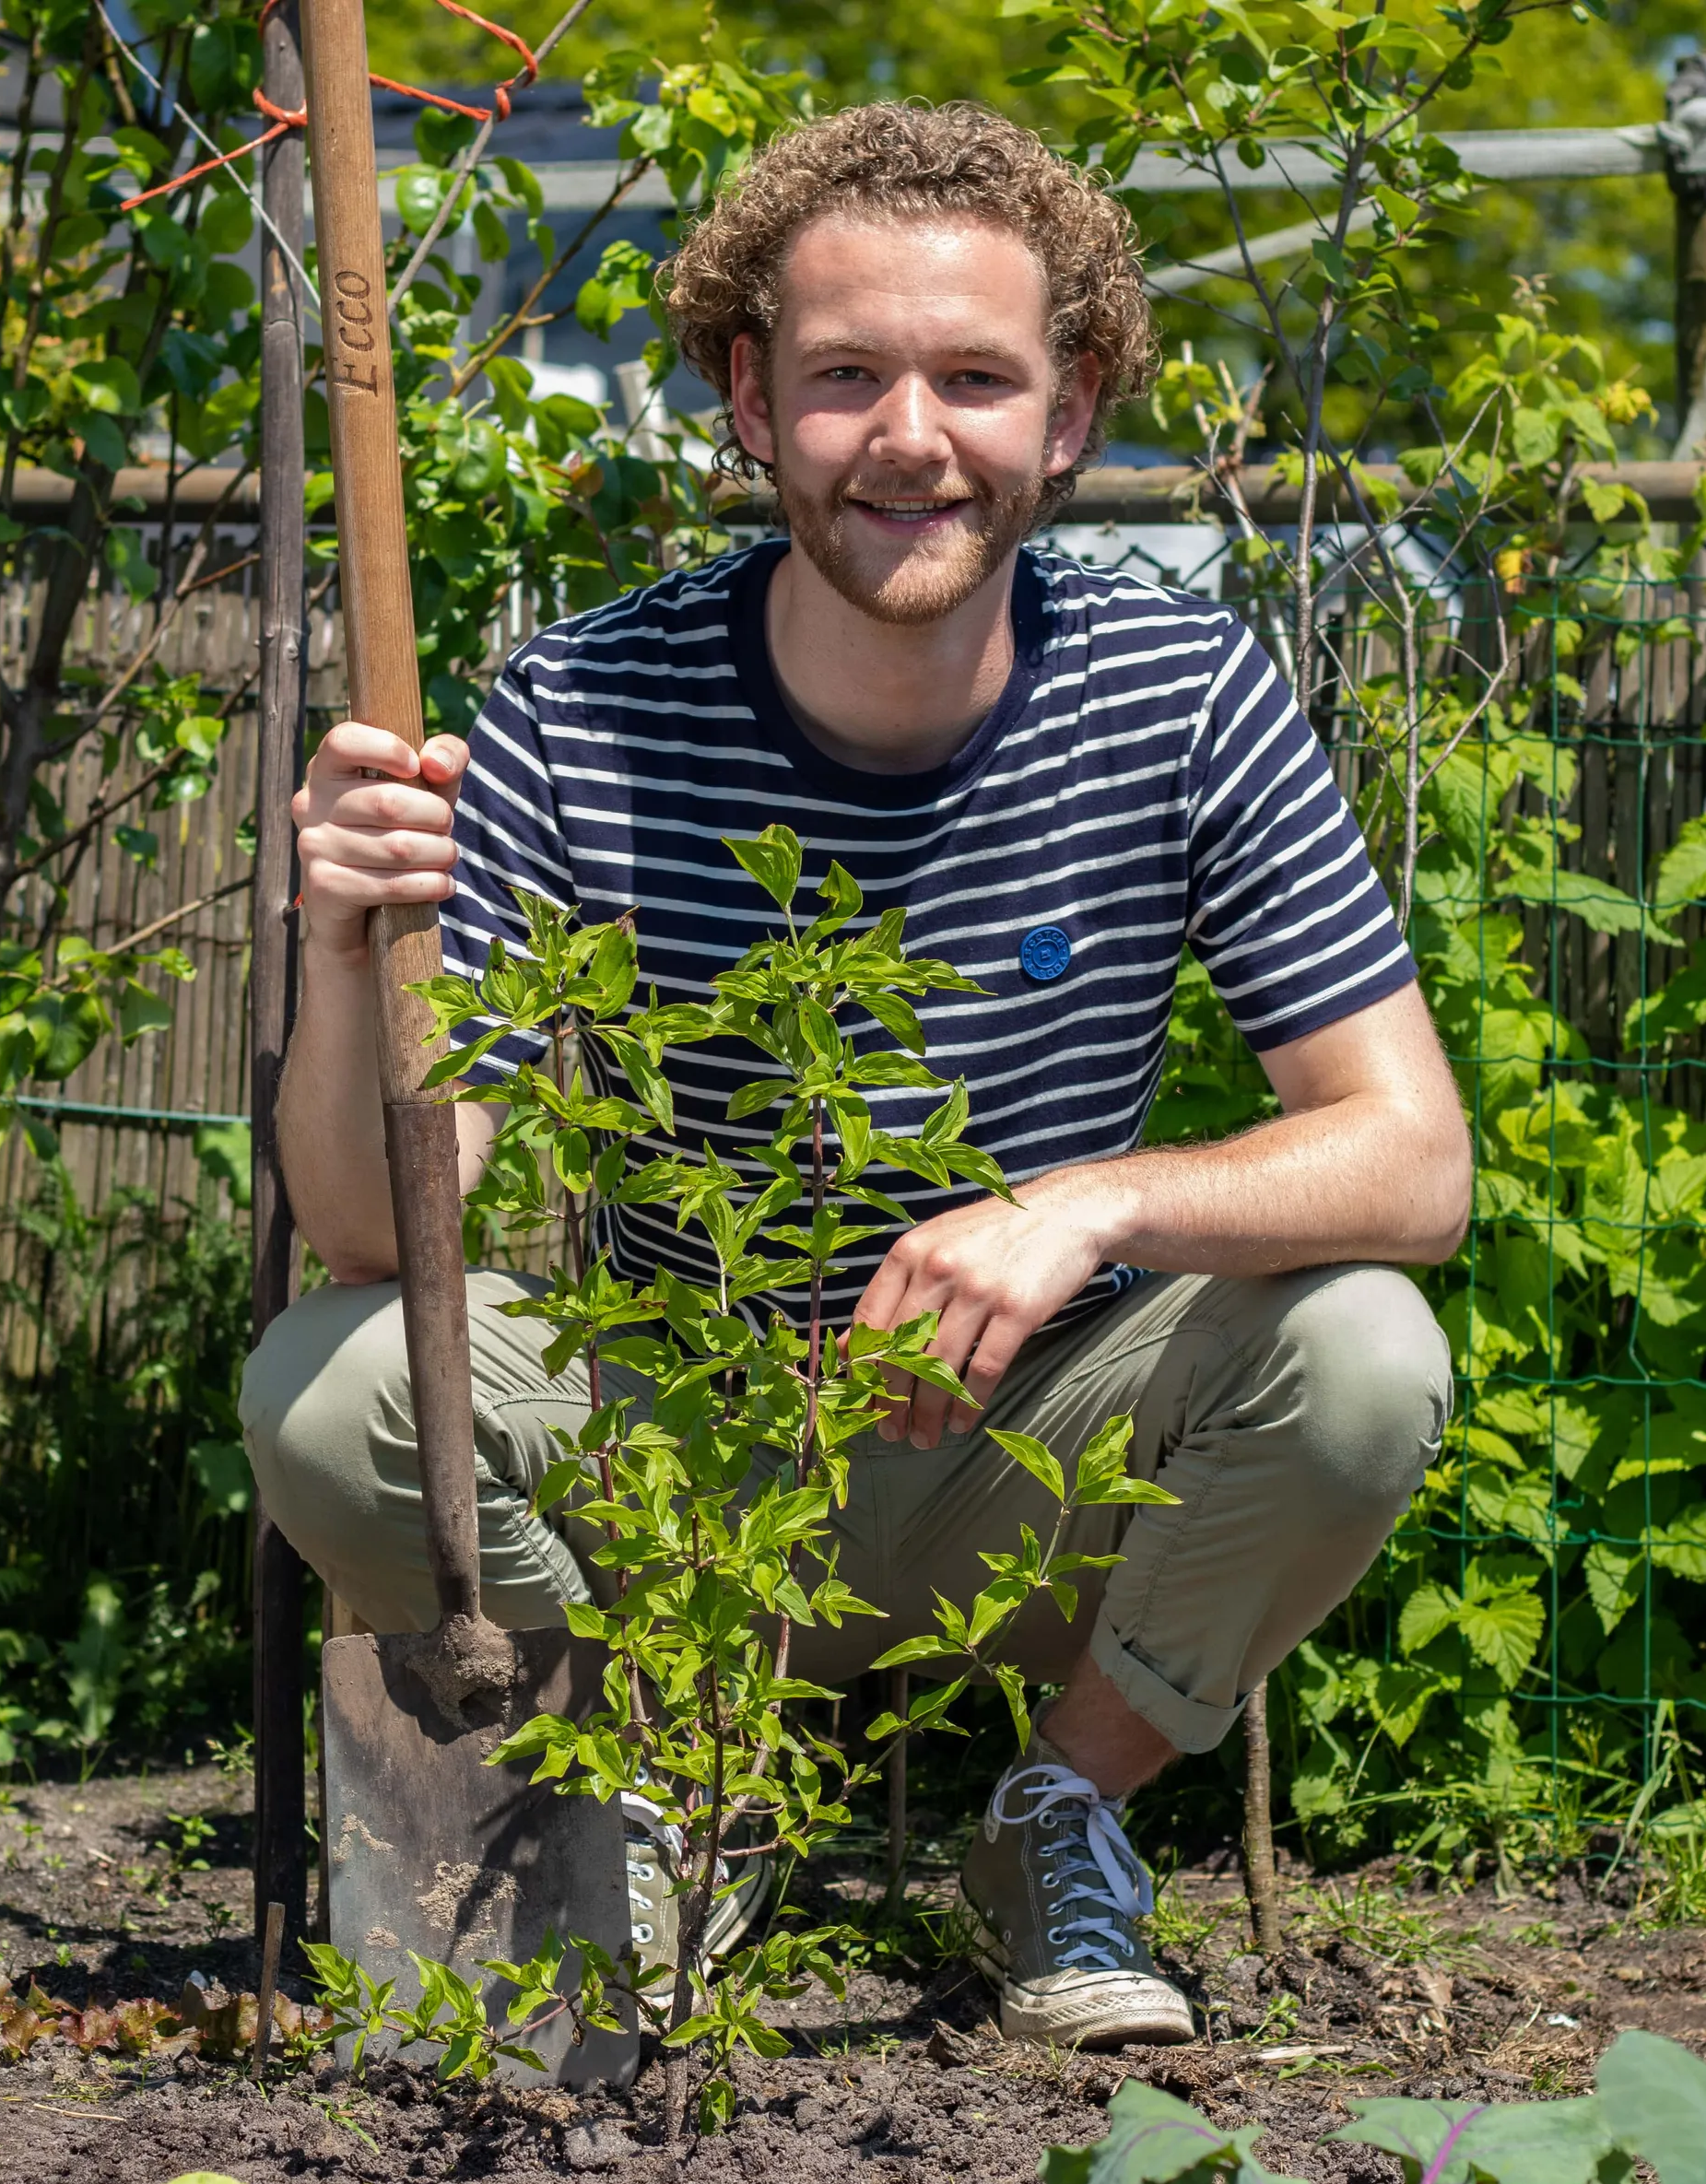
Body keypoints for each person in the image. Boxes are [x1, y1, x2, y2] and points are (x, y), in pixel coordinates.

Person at [241, 100, 1468, 2049]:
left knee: (1369, 1350)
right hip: (690, 1459)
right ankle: (659, 1813)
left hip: (1039, 1453)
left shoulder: (1182, 692)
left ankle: (1054, 1815)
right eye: (844, 377)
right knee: (325, 1382)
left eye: (977, 376)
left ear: (1069, 412)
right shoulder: (586, 708)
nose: (912, 434)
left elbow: (1416, 1157)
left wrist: (1083, 1205)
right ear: (750, 398)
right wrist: (335, 941)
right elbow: (372, 1220)